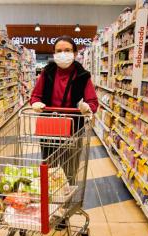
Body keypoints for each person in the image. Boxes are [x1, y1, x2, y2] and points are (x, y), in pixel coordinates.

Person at [30, 35, 98, 186]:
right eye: (59, 51)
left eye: (67, 50)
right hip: (49, 127)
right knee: (50, 169)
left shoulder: (83, 76)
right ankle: (52, 202)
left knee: (70, 169)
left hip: (73, 129)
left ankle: (67, 202)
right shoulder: (46, 73)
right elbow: (35, 95)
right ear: (54, 54)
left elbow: (93, 102)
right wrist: (36, 103)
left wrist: (88, 108)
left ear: (75, 54)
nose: (63, 54)